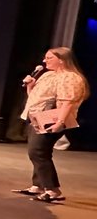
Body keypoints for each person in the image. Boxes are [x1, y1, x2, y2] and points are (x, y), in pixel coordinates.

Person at [17, 46, 90, 203]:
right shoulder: (48, 75)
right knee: (37, 151)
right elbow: (36, 97)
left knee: (38, 152)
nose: (44, 61)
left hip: (52, 119)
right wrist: (30, 86)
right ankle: (38, 185)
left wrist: (60, 122)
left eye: (49, 58)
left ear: (62, 61)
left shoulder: (70, 77)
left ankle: (52, 190)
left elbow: (67, 102)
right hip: (37, 117)